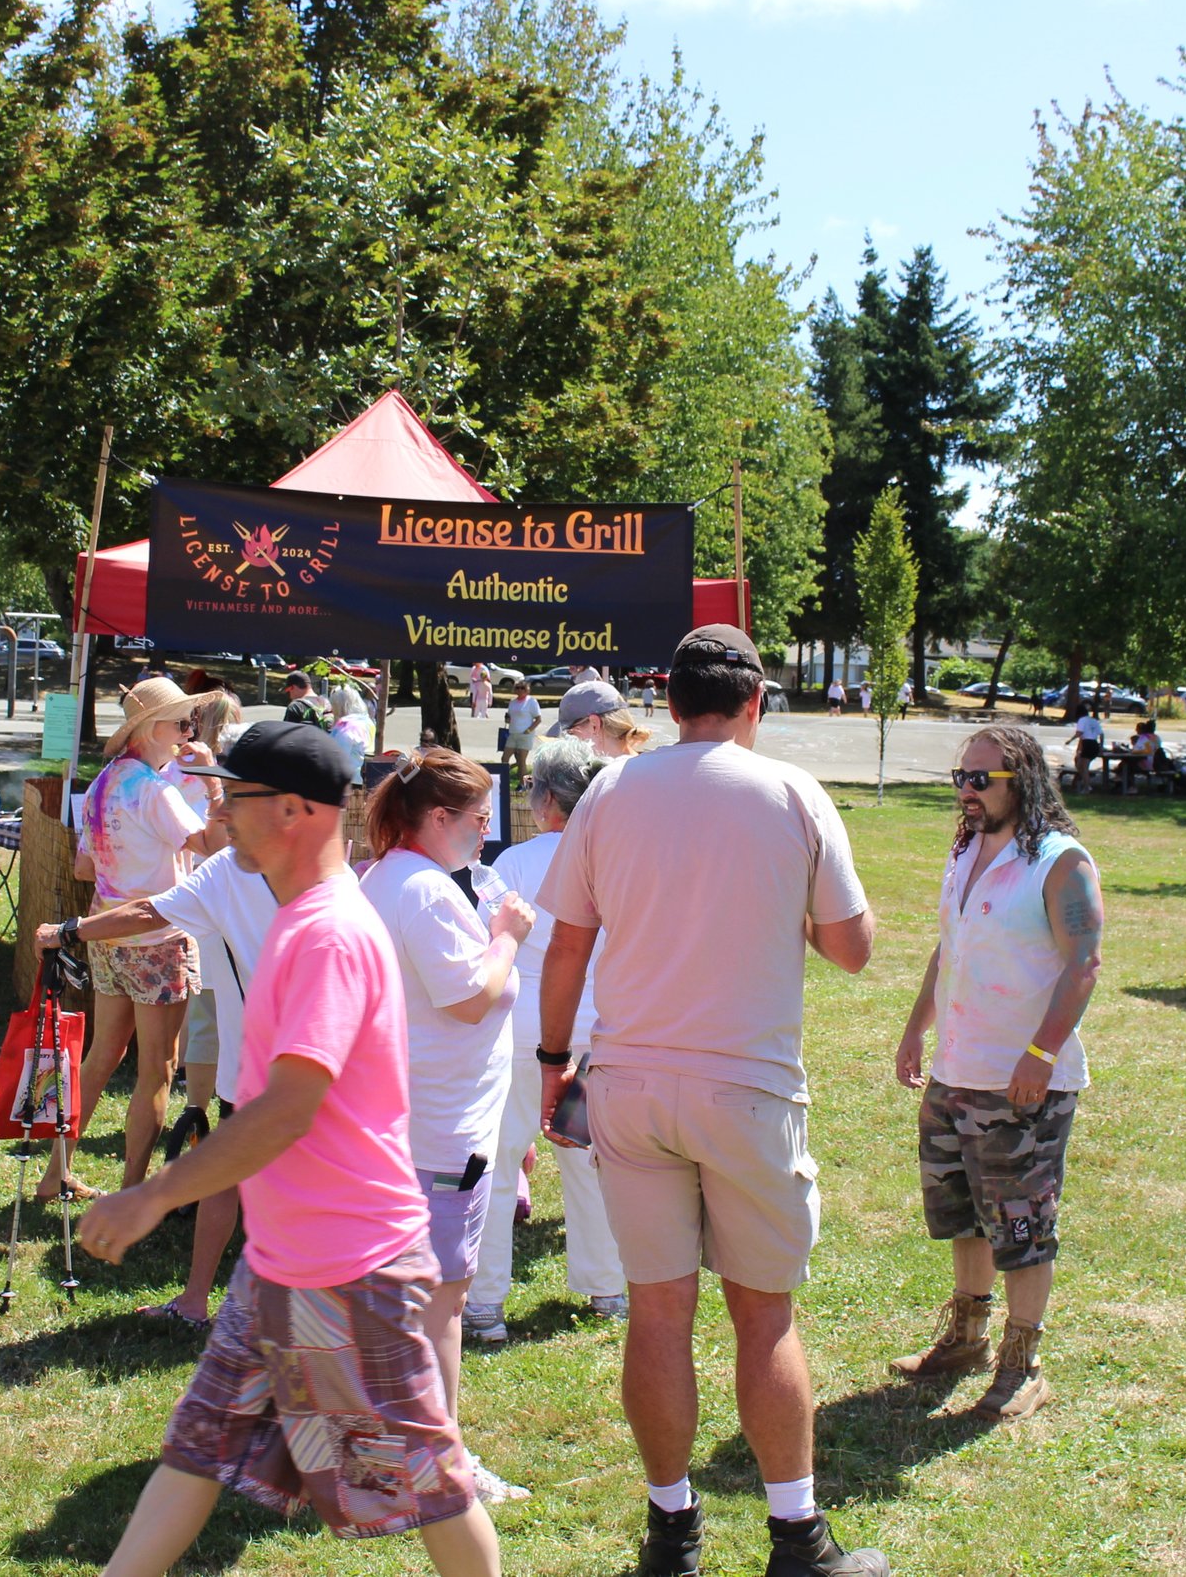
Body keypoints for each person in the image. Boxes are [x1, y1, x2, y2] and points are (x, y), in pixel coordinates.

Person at [48, 724, 501, 1577]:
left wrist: (153, 1195)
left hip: (353, 1268)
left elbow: (291, 1105)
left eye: (234, 796)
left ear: (293, 810)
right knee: (196, 1447)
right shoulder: (302, 918)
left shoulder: (330, 933)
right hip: (288, 1262)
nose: (216, 815)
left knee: (426, 1482)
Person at [537, 623, 886, 1577]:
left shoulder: (609, 788)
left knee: (657, 1312)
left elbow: (567, 943)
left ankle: (671, 1530)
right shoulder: (791, 791)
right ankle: (796, 1539)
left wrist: (549, 1063)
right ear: (756, 704)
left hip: (632, 1081)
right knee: (762, 1314)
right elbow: (853, 948)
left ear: (672, 704)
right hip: (747, 1085)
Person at [891, 726, 1102, 1422]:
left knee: (1022, 1221)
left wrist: (1039, 1056)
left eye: (981, 779)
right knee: (964, 1213)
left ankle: (1022, 1362)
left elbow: (1083, 965)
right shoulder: (964, 850)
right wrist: (917, 1026)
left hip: (1022, 1079)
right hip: (958, 1071)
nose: (967, 791)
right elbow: (950, 945)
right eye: (961, 777)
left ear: (1023, 780)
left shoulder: (1060, 862)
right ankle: (966, 1338)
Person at [359, 748, 538, 1506]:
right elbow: (469, 996)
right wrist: (505, 935)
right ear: (437, 819)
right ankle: (439, 1461)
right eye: (476, 818)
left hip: (406, 1118)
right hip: (441, 1130)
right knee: (442, 1304)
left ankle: (381, 1444)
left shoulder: (389, 877)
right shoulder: (427, 890)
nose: (485, 831)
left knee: (398, 1298)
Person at [466, 737, 626, 1349]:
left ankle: (485, 1303)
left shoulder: (516, 864)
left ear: (549, 798)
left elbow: (492, 944)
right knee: (588, 1161)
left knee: (499, 1162)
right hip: (590, 1028)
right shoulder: (613, 858)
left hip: (521, 1029)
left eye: (533, 788)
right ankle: (606, 1288)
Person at [40, 679, 215, 1203]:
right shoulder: (155, 790)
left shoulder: (103, 783)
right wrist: (212, 780)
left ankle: (57, 1173)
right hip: (158, 937)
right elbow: (215, 844)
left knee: (101, 1056)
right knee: (157, 1068)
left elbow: (84, 866)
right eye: (182, 722)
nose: (189, 731)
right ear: (150, 728)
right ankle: (131, 1198)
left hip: (108, 934)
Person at [115, 789, 281, 1329]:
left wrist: (72, 931)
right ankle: (206, 1302)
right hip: (269, 1064)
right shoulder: (249, 868)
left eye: (229, 805)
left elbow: (149, 911)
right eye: (217, 806)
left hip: (269, 1070)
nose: (218, 817)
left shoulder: (230, 873)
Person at [559, 679, 652, 759]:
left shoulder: (608, 777)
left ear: (594, 725)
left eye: (570, 733)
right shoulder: (645, 768)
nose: (567, 741)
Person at [502, 684, 543, 785]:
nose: (520, 690)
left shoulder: (531, 702)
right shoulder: (512, 702)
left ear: (527, 690)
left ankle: (523, 785)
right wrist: (507, 719)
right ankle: (503, 781)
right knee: (504, 758)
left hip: (525, 735)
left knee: (521, 761)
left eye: (523, 688)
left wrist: (529, 730)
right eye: (517, 688)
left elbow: (538, 719)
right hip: (512, 733)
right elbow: (510, 718)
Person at [330, 685, 374, 776]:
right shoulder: (367, 722)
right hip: (365, 774)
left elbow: (337, 760)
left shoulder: (346, 728)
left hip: (349, 779)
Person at [1115, 719, 1164, 794]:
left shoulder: (1144, 738)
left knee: (1126, 765)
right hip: (1156, 763)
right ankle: (1122, 780)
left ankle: (1130, 786)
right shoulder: (1157, 738)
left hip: (1146, 764)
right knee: (1125, 764)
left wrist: (1133, 751)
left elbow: (1138, 751)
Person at [1069, 702, 1105, 794]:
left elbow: (1079, 733)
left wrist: (1070, 740)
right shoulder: (1093, 720)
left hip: (1087, 743)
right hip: (1094, 743)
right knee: (1080, 765)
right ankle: (1086, 783)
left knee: (1084, 767)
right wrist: (1101, 746)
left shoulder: (1082, 720)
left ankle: (1087, 788)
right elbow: (1101, 734)